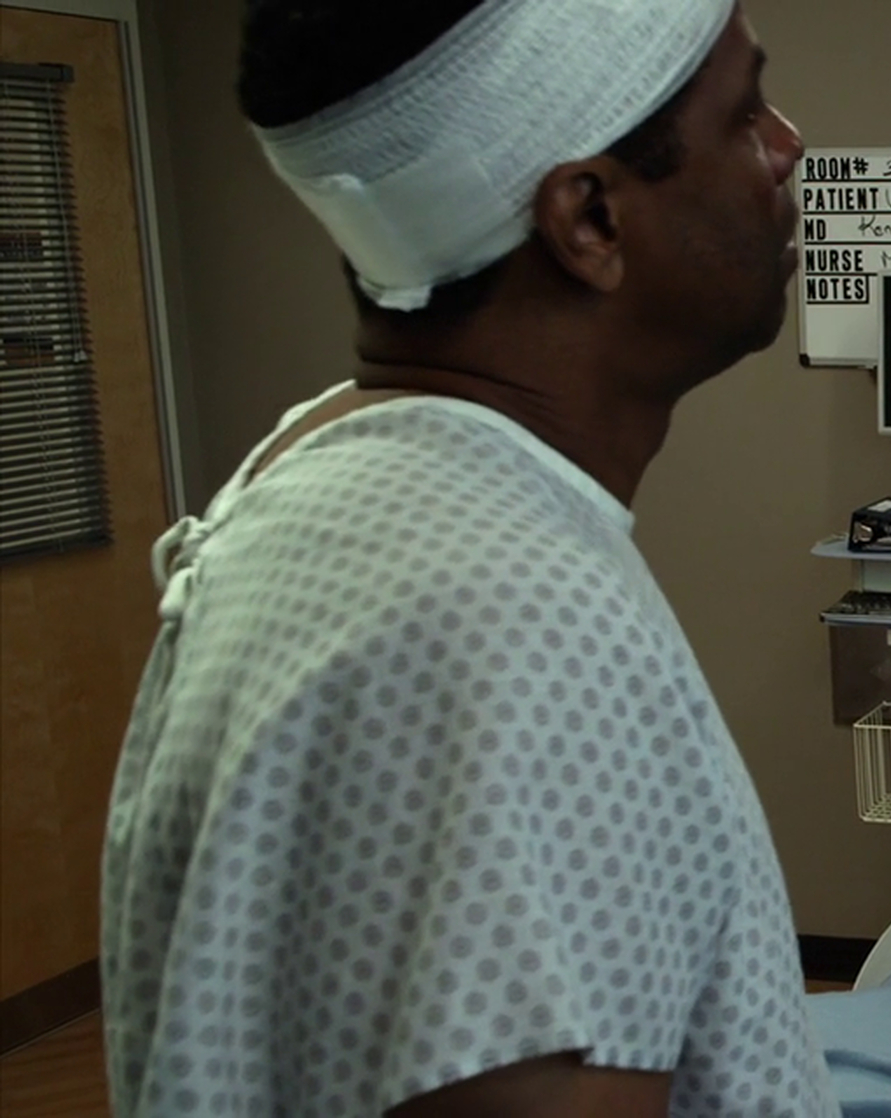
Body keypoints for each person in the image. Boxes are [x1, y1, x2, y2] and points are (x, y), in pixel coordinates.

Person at [98, 1, 826, 1114]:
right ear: (590, 220)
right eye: (744, 115)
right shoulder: (516, 621)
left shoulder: (322, 474)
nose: (787, 146)